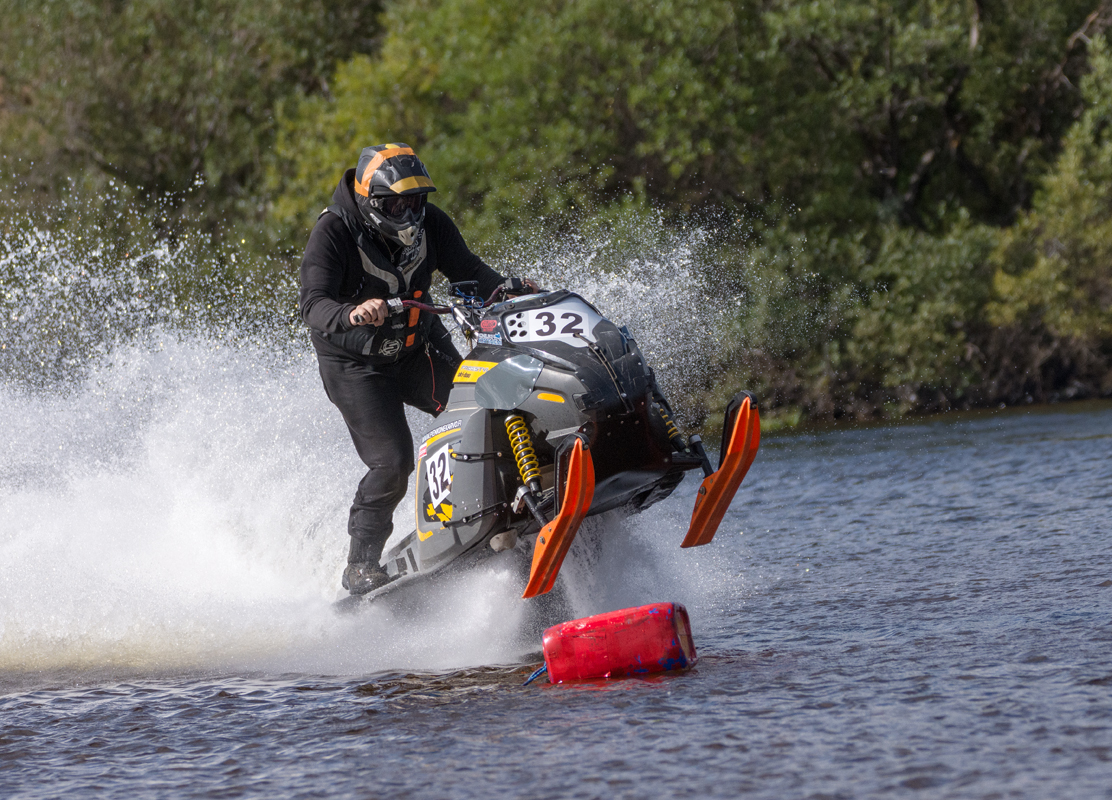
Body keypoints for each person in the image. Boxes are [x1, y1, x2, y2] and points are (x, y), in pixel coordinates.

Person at [299, 143, 532, 594]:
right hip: (356, 365)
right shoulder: (331, 232)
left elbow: (469, 273)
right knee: (394, 461)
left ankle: (508, 506)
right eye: (395, 204)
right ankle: (360, 566)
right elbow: (313, 305)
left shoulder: (433, 224)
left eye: (414, 201)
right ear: (369, 201)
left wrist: (509, 291)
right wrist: (352, 313)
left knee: (489, 410)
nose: (408, 213)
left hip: (417, 347)